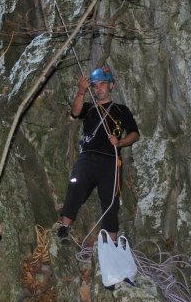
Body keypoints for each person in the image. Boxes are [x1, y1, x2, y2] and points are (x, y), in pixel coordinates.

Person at [57, 65, 140, 243]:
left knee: (111, 200)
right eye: (95, 85)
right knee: (75, 187)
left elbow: (134, 134)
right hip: (87, 156)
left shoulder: (121, 110)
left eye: (102, 84)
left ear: (111, 85)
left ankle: (111, 242)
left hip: (111, 160)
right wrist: (81, 91)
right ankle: (64, 228)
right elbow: (75, 112)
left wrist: (120, 142)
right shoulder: (89, 107)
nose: (98, 88)